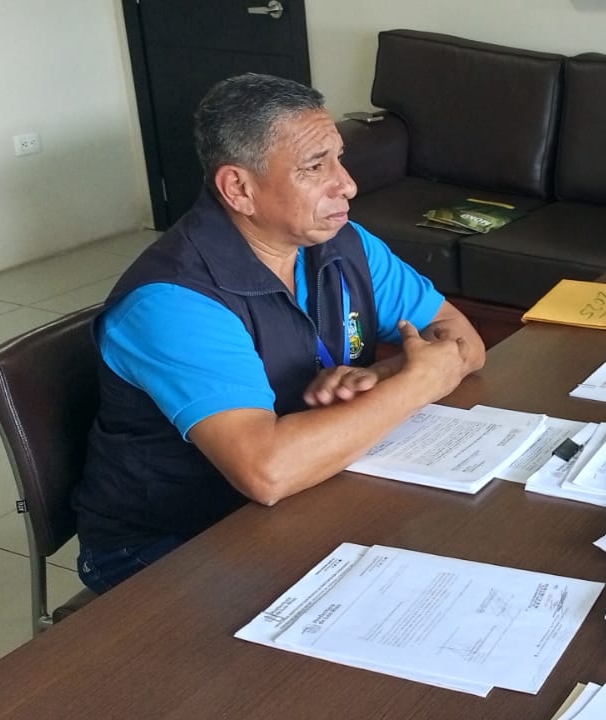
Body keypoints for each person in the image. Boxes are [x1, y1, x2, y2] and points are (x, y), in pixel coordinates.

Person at [72, 73, 486, 594]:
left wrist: (382, 375)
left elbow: (462, 339)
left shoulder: (342, 243)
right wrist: (417, 382)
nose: (347, 184)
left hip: (304, 493)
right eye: (315, 167)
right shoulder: (174, 302)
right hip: (174, 539)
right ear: (238, 189)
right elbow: (267, 472)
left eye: (339, 158)